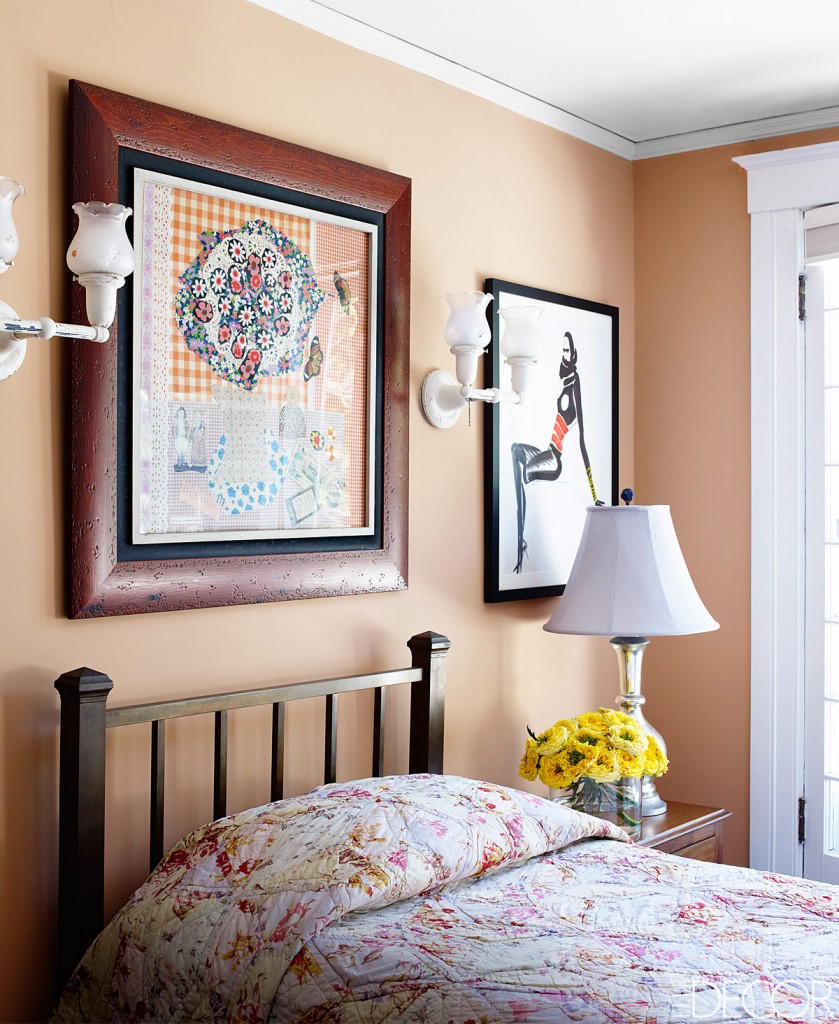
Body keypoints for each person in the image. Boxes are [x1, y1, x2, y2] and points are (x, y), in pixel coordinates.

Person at [511, 331, 603, 573]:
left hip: (555, 460)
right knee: (515, 450)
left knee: (526, 472)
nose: (564, 355)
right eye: (562, 350)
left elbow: (582, 438)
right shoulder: (563, 383)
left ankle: (524, 538)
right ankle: (520, 537)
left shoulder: (575, 385)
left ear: (574, 354)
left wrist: (594, 494)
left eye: (567, 350)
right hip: (547, 451)